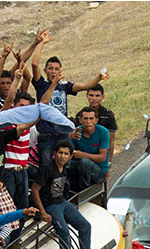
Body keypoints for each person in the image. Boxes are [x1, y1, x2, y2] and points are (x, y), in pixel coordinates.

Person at [30, 29, 107, 166]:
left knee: (65, 166)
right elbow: (34, 64)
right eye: (50, 68)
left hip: (62, 133)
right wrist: (41, 43)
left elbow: (85, 86)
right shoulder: (41, 84)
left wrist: (99, 77)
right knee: (46, 166)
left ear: (61, 70)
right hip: (46, 134)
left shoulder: (65, 86)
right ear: (45, 70)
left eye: (56, 69)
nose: (53, 71)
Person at [31, 141, 92, 249]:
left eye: (65, 154)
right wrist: (43, 212)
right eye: (60, 153)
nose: (62, 156)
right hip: (50, 205)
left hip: (62, 202)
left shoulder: (66, 168)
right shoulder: (47, 169)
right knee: (64, 232)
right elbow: (35, 190)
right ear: (55, 153)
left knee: (85, 226)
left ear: (70, 156)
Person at [68, 108, 110, 192]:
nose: (88, 122)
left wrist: (83, 155)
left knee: (84, 161)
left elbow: (102, 158)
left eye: (91, 118)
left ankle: (84, 191)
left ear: (96, 120)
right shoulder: (77, 132)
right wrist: (69, 138)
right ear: (80, 120)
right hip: (81, 167)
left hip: (99, 170)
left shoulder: (103, 132)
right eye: (85, 119)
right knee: (64, 162)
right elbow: (68, 152)